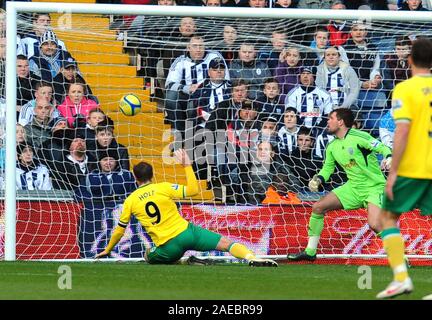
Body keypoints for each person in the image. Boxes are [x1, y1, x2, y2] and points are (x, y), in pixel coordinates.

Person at [96, 149, 278, 267]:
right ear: (153, 175)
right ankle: (251, 257)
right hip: (188, 232)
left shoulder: (131, 200)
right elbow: (193, 190)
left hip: (169, 246)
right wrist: (187, 166)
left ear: (135, 178)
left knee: (147, 255)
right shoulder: (164, 187)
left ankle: (184, 261)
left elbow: (120, 231)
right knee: (226, 243)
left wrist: (107, 249)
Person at [287, 108, 392, 261]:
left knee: (375, 224)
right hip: (353, 188)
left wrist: (388, 156)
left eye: (330, 118)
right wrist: (318, 179)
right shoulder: (332, 146)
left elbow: (382, 147)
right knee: (318, 207)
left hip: (374, 187)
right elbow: (327, 169)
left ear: (340, 122)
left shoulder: (359, 136)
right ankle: (310, 252)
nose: (327, 122)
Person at [376, 38, 432, 299]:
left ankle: (401, 278)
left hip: (415, 167)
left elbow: (403, 130)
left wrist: (394, 170)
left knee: (387, 219)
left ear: (409, 60)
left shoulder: (404, 89)